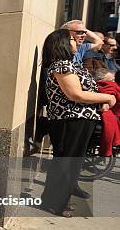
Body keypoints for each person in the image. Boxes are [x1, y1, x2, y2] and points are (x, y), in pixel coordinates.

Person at [40, 29, 115, 217]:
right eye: (72, 39)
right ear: (63, 43)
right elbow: (75, 94)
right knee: (66, 162)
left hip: (79, 119)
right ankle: (53, 202)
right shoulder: (62, 65)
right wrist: (105, 97)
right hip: (70, 120)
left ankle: (58, 200)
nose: (77, 41)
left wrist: (99, 102)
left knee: (72, 163)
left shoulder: (72, 64)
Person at [93, 68, 120, 156]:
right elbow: (109, 91)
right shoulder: (107, 85)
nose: (113, 82)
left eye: (113, 80)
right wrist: (106, 102)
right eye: (111, 80)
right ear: (101, 80)